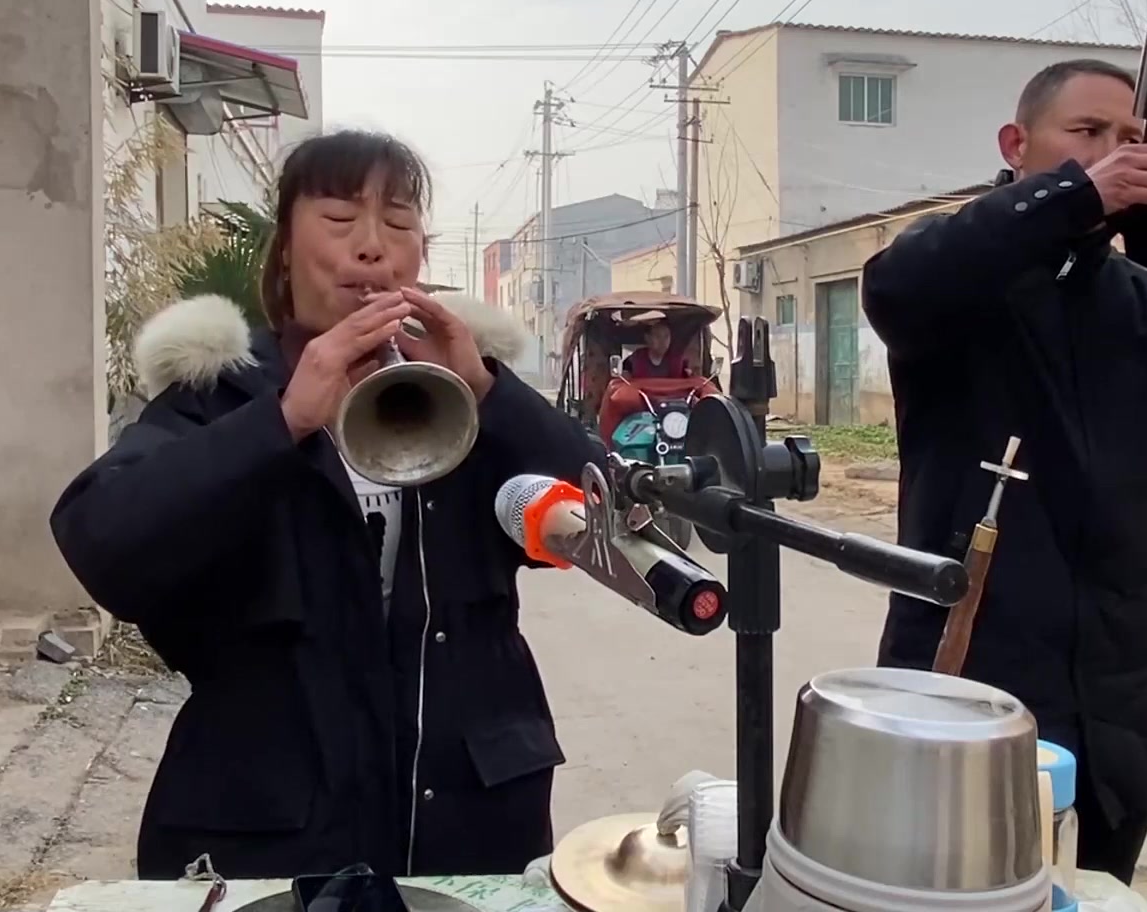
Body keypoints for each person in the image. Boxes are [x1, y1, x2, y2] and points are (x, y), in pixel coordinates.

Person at [51, 130, 600, 880]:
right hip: (268, 833)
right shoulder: (222, 394)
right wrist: (280, 421)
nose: (372, 248)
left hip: (472, 829)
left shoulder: (469, 392)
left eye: (399, 224)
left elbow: (618, 521)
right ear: (283, 251)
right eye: (340, 220)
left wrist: (489, 394)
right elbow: (101, 540)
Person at [862, 59, 1147, 884]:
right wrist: (1076, 198)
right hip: (974, 656)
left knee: (1096, 887)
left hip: (1120, 676)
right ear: (1018, 144)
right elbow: (899, 287)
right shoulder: (963, 263)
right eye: (1088, 133)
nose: (1118, 153)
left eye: (1132, 138)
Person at [623, 319, 690, 379]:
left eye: (666, 336)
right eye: (658, 336)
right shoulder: (632, 361)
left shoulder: (681, 363)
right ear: (647, 338)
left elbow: (692, 382)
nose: (662, 341)